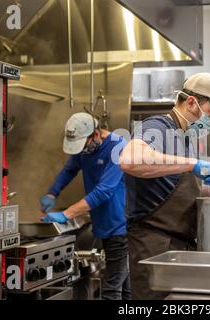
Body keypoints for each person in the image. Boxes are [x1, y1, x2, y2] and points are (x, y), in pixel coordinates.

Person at [119, 72, 210, 299]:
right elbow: (129, 160)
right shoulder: (158, 126)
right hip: (154, 247)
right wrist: (194, 164)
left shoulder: (184, 138)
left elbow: (174, 187)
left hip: (177, 245)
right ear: (191, 102)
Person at [40, 112, 131, 300]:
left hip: (120, 225)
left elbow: (104, 190)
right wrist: (52, 192)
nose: (81, 151)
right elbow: (70, 170)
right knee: (124, 284)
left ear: (95, 134)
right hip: (104, 224)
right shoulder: (85, 150)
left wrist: (66, 214)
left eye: (83, 145)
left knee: (112, 288)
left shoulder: (118, 146)